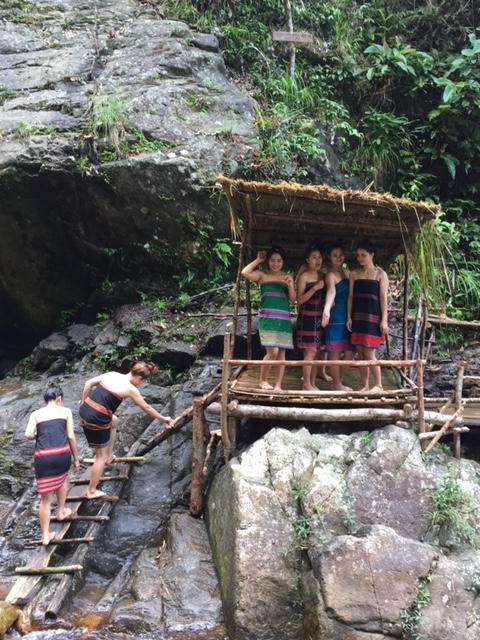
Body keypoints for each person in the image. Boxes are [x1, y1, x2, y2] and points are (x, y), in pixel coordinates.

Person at [79, 361, 175, 499]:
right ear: (139, 378)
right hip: (95, 419)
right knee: (99, 457)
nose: (140, 384)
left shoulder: (112, 374)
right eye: (142, 381)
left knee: (114, 421)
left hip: (84, 412)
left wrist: (83, 402)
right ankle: (91, 491)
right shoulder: (130, 389)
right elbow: (147, 408)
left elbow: (88, 383)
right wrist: (164, 419)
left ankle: (109, 455)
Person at [25, 384, 80, 545]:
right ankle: (61, 512)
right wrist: (76, 458)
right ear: (59, 399)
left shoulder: (36, 414)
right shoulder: (65, 411)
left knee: (45, 499)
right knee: (62, 479)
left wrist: (38, 435)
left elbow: (27, 434)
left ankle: (45, 536)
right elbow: (71, 436)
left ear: (46, 400)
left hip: (44, 458)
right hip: (62, 455)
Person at [241, 247, 295, 391]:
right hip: (267, 319)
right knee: (273, 352)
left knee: (282, 354)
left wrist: (290, 285)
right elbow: (245, 272)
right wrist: (258, 260)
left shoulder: (287, 277)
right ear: (268, 261)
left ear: (283, 262)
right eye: (272, 260)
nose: (275, 263)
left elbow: (293, 299)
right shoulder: (262, 275)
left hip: (283, 320)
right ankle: (262, 380)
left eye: (279, 260)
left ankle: (278, 385)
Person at [346, 239, 389, 392]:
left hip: (373, 319)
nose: (360, 258)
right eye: (358, 255)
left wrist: (384, 320)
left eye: (363, 255)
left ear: (372, 255)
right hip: (358, 317)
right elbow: (351, 297)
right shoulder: (354, 274)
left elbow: (383, 298)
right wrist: (349, 317)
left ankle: (378, 385)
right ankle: (365, 385)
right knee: (360, 353)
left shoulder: (380, 274)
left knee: (369, 353)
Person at [322, 242, 355, 391]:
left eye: (341, 255)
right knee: (335, 351)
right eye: (335, 255)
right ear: (329, 257)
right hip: (335, 317)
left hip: (349, 316)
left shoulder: (347, 272)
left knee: (350, 351)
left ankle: (338, 382)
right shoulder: (330, 275)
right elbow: (331, 292)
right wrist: (327, 309)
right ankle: (337, 384)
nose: (338, 258)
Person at [296, 245, 328, 391]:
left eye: (319, 257)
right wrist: (314, 288)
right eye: (314, 257)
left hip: (319, 318)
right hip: (307, 318)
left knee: (316, 352)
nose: (317, 260)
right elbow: (299, 300)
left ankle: (312, 383)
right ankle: (306, 384)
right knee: (310, 351)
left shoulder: (323, 276)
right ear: (308, 260)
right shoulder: (304, 277)